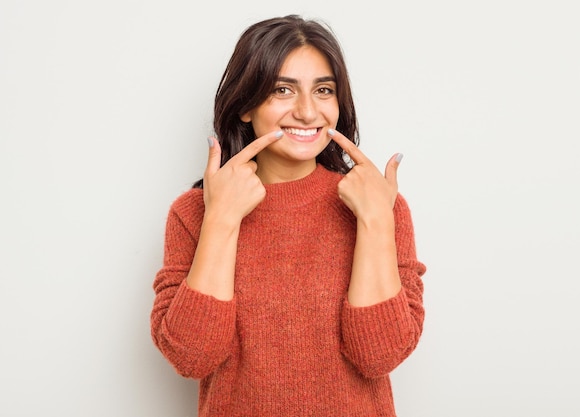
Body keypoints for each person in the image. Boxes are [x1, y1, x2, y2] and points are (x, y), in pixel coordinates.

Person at [150, 14, 427, 417]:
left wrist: (374, 222)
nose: (307, 111)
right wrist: (222, 219)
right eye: (283, 89)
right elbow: (192, 356)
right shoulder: (193, 213)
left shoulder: (379, 204)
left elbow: (379, 356)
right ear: (245, 105)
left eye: (323, 90)